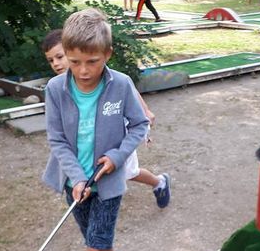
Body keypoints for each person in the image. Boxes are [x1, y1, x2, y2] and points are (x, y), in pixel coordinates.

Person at [43, 9, 150, 251]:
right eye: (74, 62)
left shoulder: (121, 85)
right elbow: (57, 139)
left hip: (107, 183)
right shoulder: (55, 89)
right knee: (96, 241)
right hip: (72, 182)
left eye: (92, 61)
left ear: (108, 55)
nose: (83, 71)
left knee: (94, 248)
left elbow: (139, 125)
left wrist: (117, 157)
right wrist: (75, 178)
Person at [42, 30, 171, 207]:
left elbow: (133, 99)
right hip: (87, 161)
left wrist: (146, 112)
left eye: (59, 57)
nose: (56, 64)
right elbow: (57, 137)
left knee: (129, 172)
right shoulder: (58, 87)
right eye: (51, 60)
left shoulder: (114, 80)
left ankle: (158, 182)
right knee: (123, 173)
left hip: (117, 140)